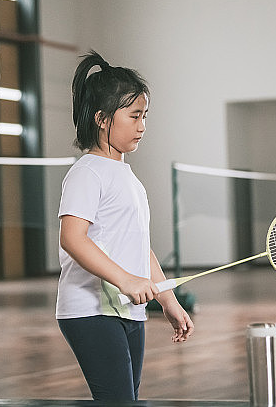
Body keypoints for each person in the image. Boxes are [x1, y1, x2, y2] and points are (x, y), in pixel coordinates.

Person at [55, 51, 194, 402]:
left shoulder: (128, 176)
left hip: (128, 309)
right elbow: (72, 238)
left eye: (144, 115)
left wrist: (167, 299)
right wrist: (126, 280)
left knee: (124, 401)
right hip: (91, 310)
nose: (142, 125)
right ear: (102, 119)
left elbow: (138, 247)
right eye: (134, 116)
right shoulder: (87, 172)